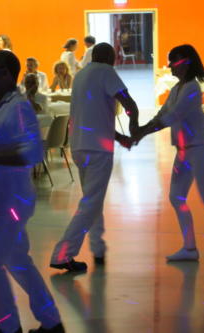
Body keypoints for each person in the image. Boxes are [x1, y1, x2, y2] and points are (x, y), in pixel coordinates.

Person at [0, 50, 64, 333]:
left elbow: (33, 152)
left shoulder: (19, 108)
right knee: (17, 260)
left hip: (11, 202)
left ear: (7, 75)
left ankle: (9, 327)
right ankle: (51, 322)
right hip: (3, 200)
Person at [133, 44, 204, 261]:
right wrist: (141, 131)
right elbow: (162, 113)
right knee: (176, 197)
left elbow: (174, 116)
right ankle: (189, 248)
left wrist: (141, 133)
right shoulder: (176, 89)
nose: (170, 65)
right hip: (183, 152)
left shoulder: (192, 88)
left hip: (200, 151)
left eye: (174, 61)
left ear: (186, 62)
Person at [49, 43, 139, 273]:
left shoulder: (80, 76)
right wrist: (135, 126)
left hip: (79, 147)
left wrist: (120, 138)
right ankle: (62, 254)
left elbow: (93, 118)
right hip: (98, 150)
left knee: (93, 200)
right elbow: (129, 103)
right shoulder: (106, 72)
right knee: (90, 203)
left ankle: (97, 247)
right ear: (110, 59)